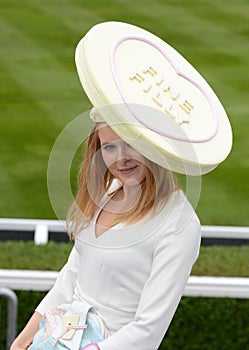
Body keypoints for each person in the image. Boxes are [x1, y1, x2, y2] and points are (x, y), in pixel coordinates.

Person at [10, 120, 201, 350]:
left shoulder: (180, 225)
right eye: (109, 147)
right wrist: (23, 341)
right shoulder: (107, 194)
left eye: (131, 143)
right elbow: (71, 277)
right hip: (58, 338)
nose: (121, 158)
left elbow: (149, 329)